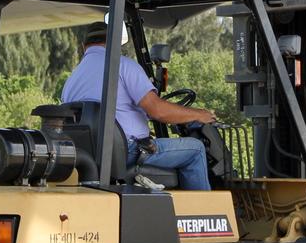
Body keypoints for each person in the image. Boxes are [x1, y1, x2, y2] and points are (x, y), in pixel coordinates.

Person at [60, 22, 217, 190]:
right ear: (114, 42)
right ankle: (202, 213)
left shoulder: (71, 80)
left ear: (84, 46)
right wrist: (199, 114)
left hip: (92, 155)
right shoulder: (123, 66)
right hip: (129, 151)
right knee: (196, 149)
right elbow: (158, 111)